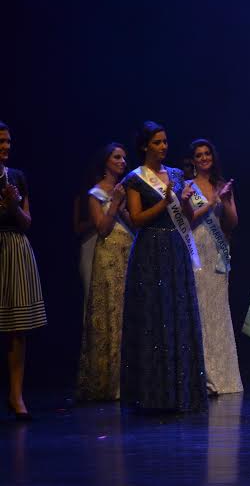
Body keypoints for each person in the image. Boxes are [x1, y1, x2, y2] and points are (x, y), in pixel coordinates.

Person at [121, 121, 207, 412]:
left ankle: (182, 392)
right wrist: (164, 201)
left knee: (177, 315)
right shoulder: (135, 179)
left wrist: (181, 201)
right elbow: (136, 219)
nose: (163, 147)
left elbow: (189, 215)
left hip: (175, 249)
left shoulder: (177, 175)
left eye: (165, 142)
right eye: (157, 142)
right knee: (153, 318)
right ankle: (153, 394)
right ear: (145, 146)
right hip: (150, 251)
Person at [76, 143, 134, 401]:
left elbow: (135, 224)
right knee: (109, 315)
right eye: (117, 157)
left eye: (124, 158)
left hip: (127, 254)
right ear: (106, 162)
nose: (123, 162)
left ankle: (128, 379)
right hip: (107, 256)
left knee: (125, 315)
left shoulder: (126, 191)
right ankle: (107, 383)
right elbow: (101, 228)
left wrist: (123, 207)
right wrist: (115, 205)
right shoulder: (95, 193)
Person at [186, 139, 243, 395]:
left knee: (219, 313)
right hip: (197, 253)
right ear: (193, 160)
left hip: (218, 254)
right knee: (199, 313)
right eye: (199, 155)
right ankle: (203, 378)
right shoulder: (187, 187)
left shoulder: (222, 185)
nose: (204, 157)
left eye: (208, 153)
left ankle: (224, 377)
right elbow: (186, 220)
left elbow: (231, 224)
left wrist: (227, 201)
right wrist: (211, 203)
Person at [0, 121, 47, 419]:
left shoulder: (16, 177)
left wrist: (14, 205)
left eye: (7, 141)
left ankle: (16, 396)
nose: (5, 146)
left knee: (17, 329)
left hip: (14, 248)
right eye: (0, 141)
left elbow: (27, 222)